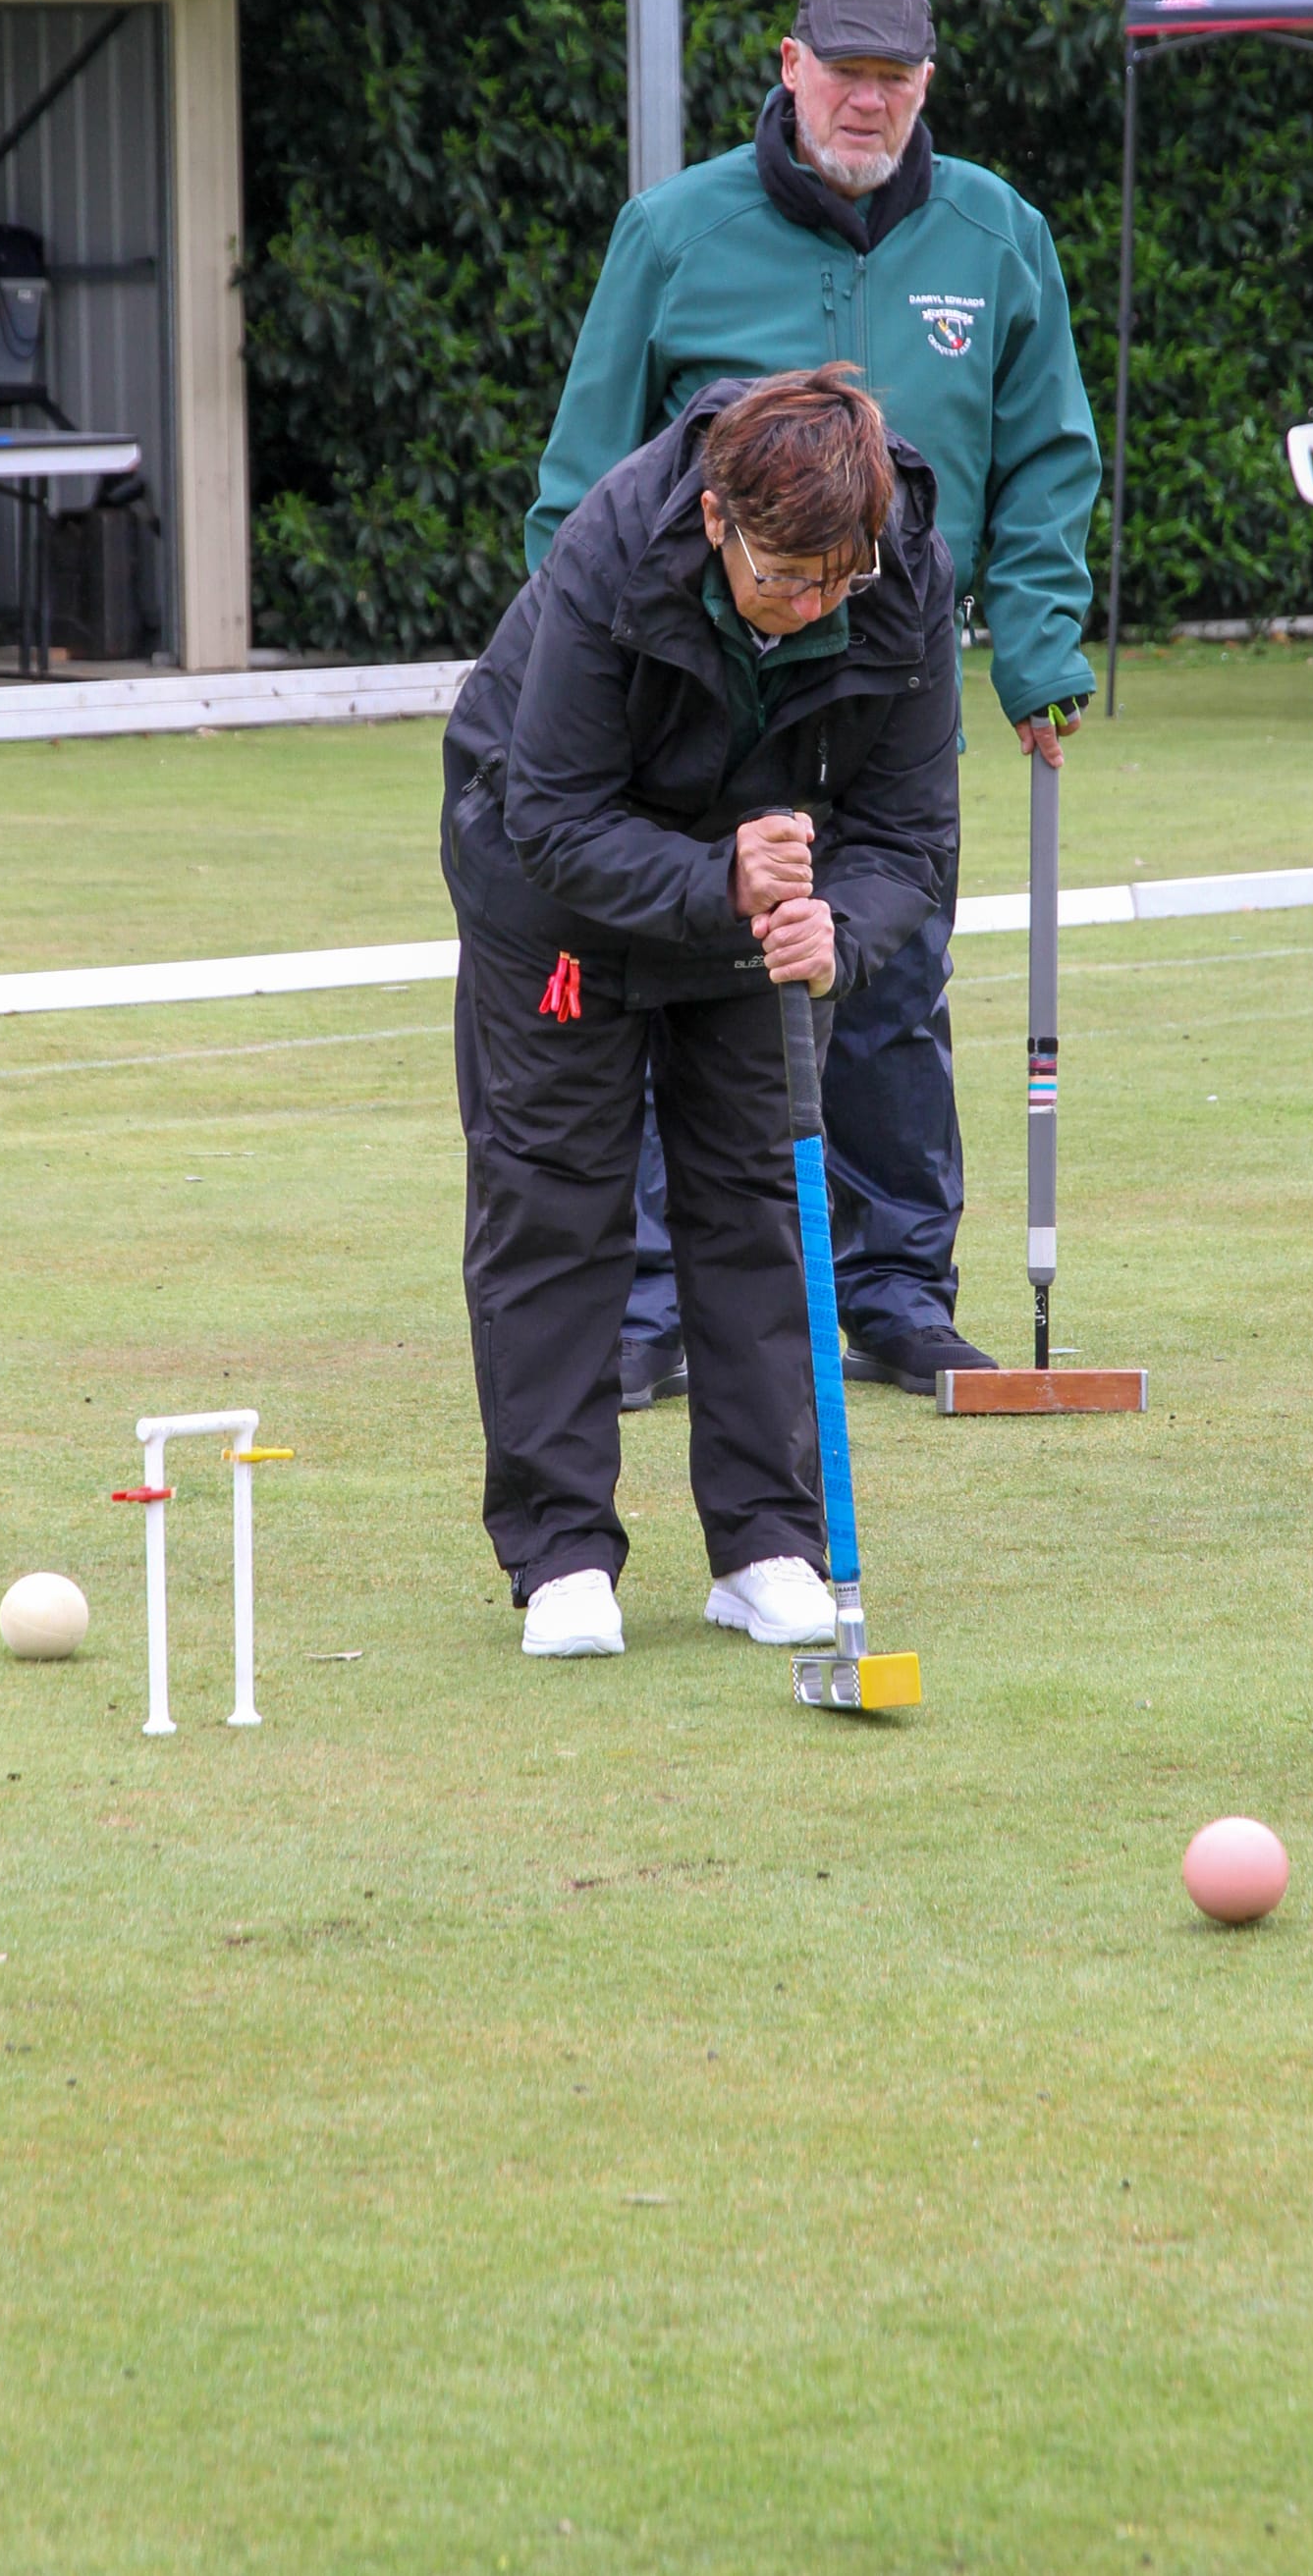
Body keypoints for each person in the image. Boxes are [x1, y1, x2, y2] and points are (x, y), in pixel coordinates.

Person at [525, 0, 1099, 1402]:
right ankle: (653, 1303)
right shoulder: (670, 231)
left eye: (895, 80)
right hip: (695, 687)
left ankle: (898, 1289)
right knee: (681, 971)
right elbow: (580, 483)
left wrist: (1036, 642)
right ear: (789, 65)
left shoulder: (1000, 233)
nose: (867, 101)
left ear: (927, 86)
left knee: (888, 965)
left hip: (885, 683)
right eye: (843, 72)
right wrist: (564, 669)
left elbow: (1045, 459)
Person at [441, 366, 958, 1662]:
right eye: (784, 577)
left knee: (757, 1194)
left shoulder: (894, 571)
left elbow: (907, 831)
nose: (808, 609)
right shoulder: (612, 546)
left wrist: (839, 926)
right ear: (719, 519)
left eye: (836, 581)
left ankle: (768, 1542)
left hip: (765, 881)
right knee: (555, 1192)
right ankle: (560, 1551)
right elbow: (548, 815)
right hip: (551, 886)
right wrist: (713, 877)